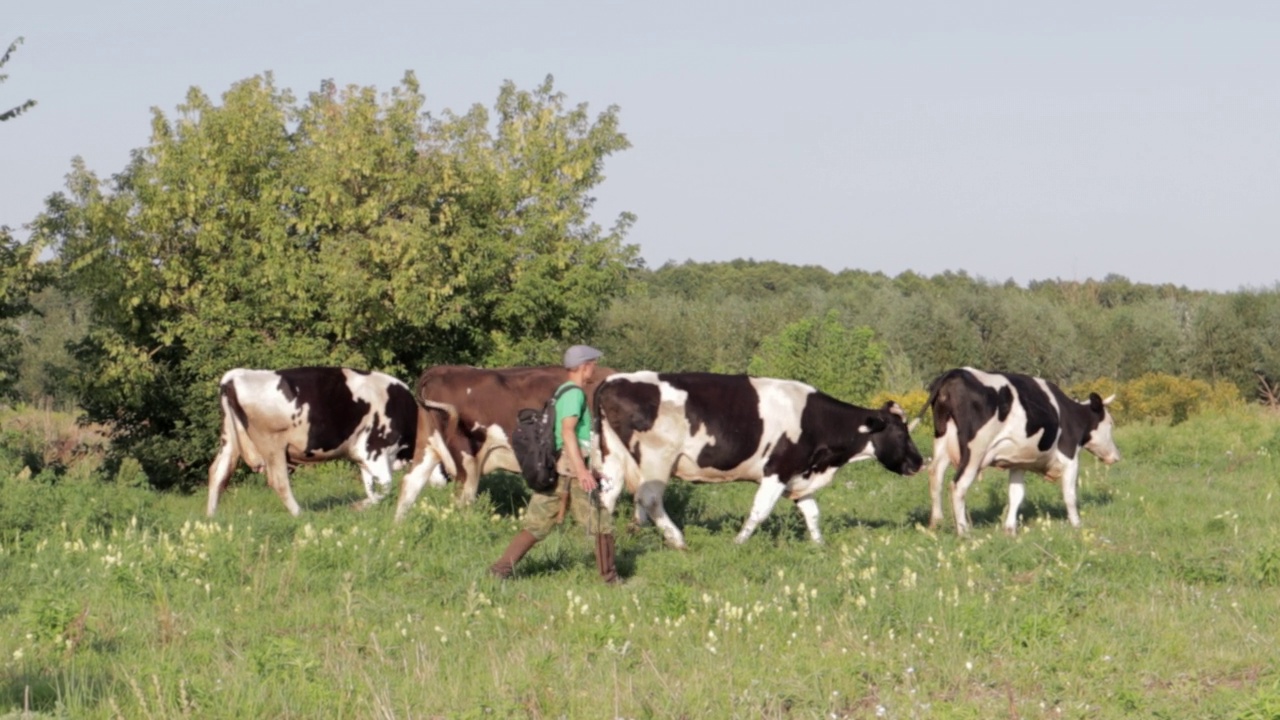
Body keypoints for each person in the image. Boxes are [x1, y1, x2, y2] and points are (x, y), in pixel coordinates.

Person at [488, 344, 619, 584]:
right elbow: (568, 433)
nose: (595, 368)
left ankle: (500, 570)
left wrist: (590, 469)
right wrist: (582, 472)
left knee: (538, 523)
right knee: (600, 522)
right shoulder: (574, 394)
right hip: (570, 469)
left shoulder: (563, 392)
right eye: (593, 363)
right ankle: (610, 579)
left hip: (561, 467)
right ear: (584, 366)